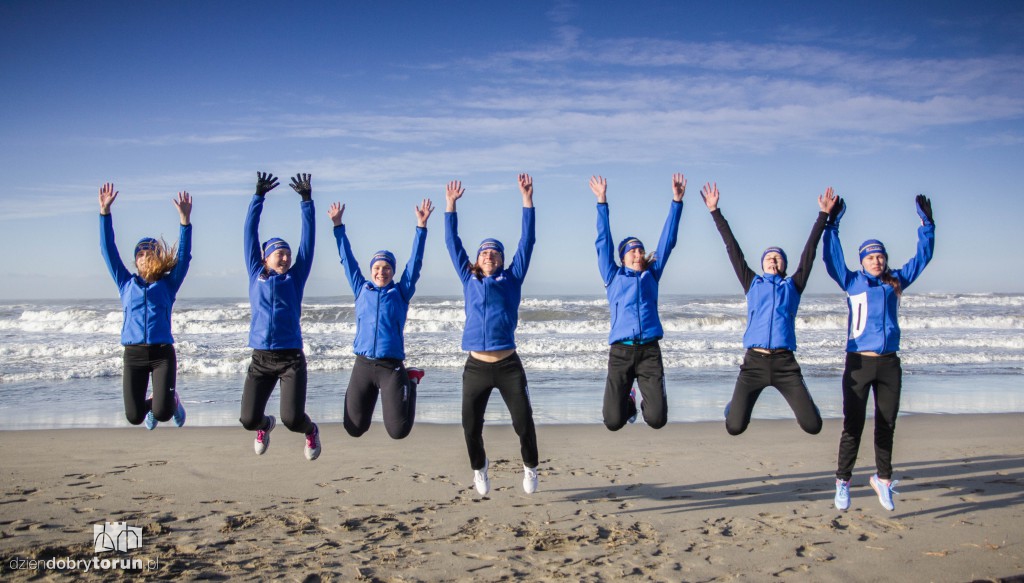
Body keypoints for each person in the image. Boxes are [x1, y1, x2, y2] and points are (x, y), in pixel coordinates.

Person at [824, 194, 935, 512]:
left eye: (880, 257)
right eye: (871, 257)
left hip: (889, 365)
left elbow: (923, 257)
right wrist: (832, 223)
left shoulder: (895, 282)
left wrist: (927, 225)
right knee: (853, 426)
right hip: (858, 364)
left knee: (887, 424)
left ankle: (883, 479)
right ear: (862, 261)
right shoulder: (851, 281)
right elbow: (831, 257)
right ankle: (843, 481)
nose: (876, 261)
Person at [700, 182, 838, 436]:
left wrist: (823, 216)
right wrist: (714, 211)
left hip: (785, 364)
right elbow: (732, 248)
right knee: (734, 427)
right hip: (754, 363)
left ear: (784, 265)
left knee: (813, 426)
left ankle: (808, 406)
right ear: (762, 265)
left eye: (778, 257)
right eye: (768, 258)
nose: (773, 260)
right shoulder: (752, 283)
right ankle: (733, 407)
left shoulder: (793, 286)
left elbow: (810, 251)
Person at [445, 174, 539, 496]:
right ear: (477, 259)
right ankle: (479, 467)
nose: (489, 255)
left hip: (508, 365)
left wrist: (527, 200)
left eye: (494, 253)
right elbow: (452, 243)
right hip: (476, 368)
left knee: (523, 422)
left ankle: (530, 466)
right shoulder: (468, 278)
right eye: (484, 252)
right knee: (470, 426)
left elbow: (527, 241)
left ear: (501, 259)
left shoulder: (512, 278)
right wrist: (450, 205)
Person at [328, 197, 434, 440]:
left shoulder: (401, 292)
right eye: (377, 267)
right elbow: (347, 260)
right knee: (354, 429)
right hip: (363, 365)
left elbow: (415, 263)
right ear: (371, 270)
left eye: (387, 268)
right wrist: (338, 226)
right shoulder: (361, 288)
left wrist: (421, 227)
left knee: (398, 431)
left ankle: (411, 381)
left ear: (393, 271)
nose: (381, 272)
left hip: (391, 367)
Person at [590, 174, 685, 431]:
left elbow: (668, 241)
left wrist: (676, 202)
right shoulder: (613, 276)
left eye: (641, 250)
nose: (638, 253)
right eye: (632, 251)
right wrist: (602, 202)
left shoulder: (651, 275)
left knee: (657, 420)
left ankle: (645, 401)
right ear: (622, 258)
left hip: (649, 353)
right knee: (613, 422)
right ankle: (630, 401)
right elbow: (603, 242)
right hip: (620, 353)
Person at [239, 171, 322, 461]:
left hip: (291, 360)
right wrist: (258, 197)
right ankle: (265, 426)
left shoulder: (295, 277)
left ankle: (311, 430)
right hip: (261, 359)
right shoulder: (255, 273)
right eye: (279, 253)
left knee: (293, 419)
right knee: (248, 419)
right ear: (266, 257)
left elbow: (308, 243)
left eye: (287, 253)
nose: (286, 257)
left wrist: (306, 201)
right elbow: (249, 233)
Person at [98, 182, 191, 430]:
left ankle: (171, 401)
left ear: (159, 258)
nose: (145, 257)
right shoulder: (125, 283)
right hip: (134, 355)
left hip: (162, 354)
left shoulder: (168, 284)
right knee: (134, 416)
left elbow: (184, 258)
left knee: (163, 413)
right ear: (136, 261)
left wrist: (185, 222)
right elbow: (108, 251)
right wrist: (105, 213)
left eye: (150, 253)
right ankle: (155, 402)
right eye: (140, 254)